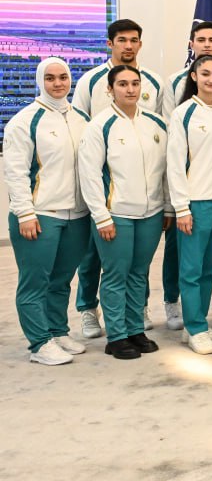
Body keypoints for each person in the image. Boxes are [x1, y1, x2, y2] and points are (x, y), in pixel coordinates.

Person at [70, 18, 162, 341]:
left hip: (144, 202)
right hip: (107, 192)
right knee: (95, 258)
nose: (128, 45)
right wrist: (99, 207)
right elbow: (79, 129)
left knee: (136, 267)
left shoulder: (153, 82)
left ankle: (136, 315)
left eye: (133, 40)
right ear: (110, 43)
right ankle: (88, 308)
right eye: (122, 39)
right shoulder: (91, 81)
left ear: (140, 44)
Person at [77, 65, 171, 360]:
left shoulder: (156, 123)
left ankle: (135, 330)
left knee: (139, 274)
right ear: (110, 89)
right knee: (116, 274)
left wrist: (167, 206)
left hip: (151, 213)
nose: (130, 89)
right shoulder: (99, 126)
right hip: (115, 213)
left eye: (134, 83)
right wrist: (101, 215)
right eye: (122, 84)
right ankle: (117, 336)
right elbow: (90, 174)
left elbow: (165, 171)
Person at [4, 58, 93, 365]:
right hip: (41, 215)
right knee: (35, 282)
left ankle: (57, 330)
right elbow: (15, 172)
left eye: (63, 77)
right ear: (40, 81)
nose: (58, 83)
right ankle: (39, 343)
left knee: (61, 279)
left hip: (77, 215)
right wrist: (25, 213)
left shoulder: (81, 118)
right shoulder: (25, 121)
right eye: (51, 78)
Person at [167, 54, 212, 355]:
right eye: (205, 73)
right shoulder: (183, 114)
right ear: (194, 77)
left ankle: (199, 323)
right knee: (191, 269)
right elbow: (174, 164)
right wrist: (181, 207)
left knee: (209, 268)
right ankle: (194, 327)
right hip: (196, 202)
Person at [160, 22, 212, 116]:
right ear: (191, 45)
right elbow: (169, 120)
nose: (207, 45)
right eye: (201, 40)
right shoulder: (174, 81)